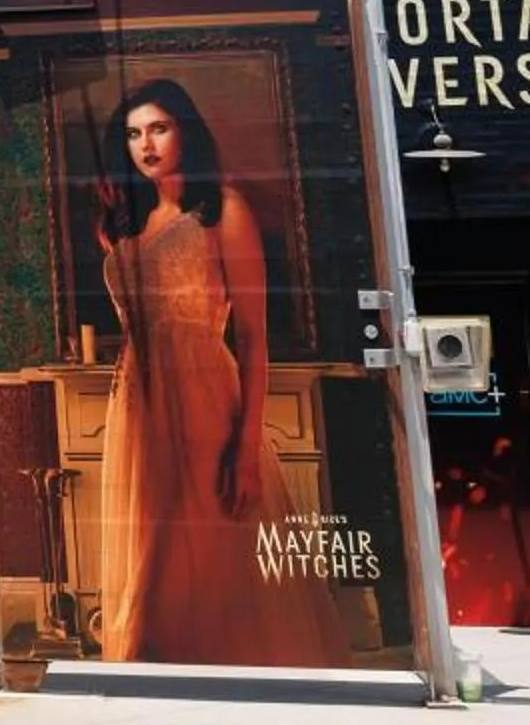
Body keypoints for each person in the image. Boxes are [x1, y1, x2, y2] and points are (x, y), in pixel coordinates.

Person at [92, 77, 348, 666]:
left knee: (206, 555)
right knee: (152, 550)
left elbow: (254, 338)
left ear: (185, 130)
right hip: (137, 402)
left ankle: (203, 675)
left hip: (204, 395)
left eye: (159, 128)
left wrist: (246, 445)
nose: (146, 144)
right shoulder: (124, 224)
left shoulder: (223, 212)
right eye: (133, 134)